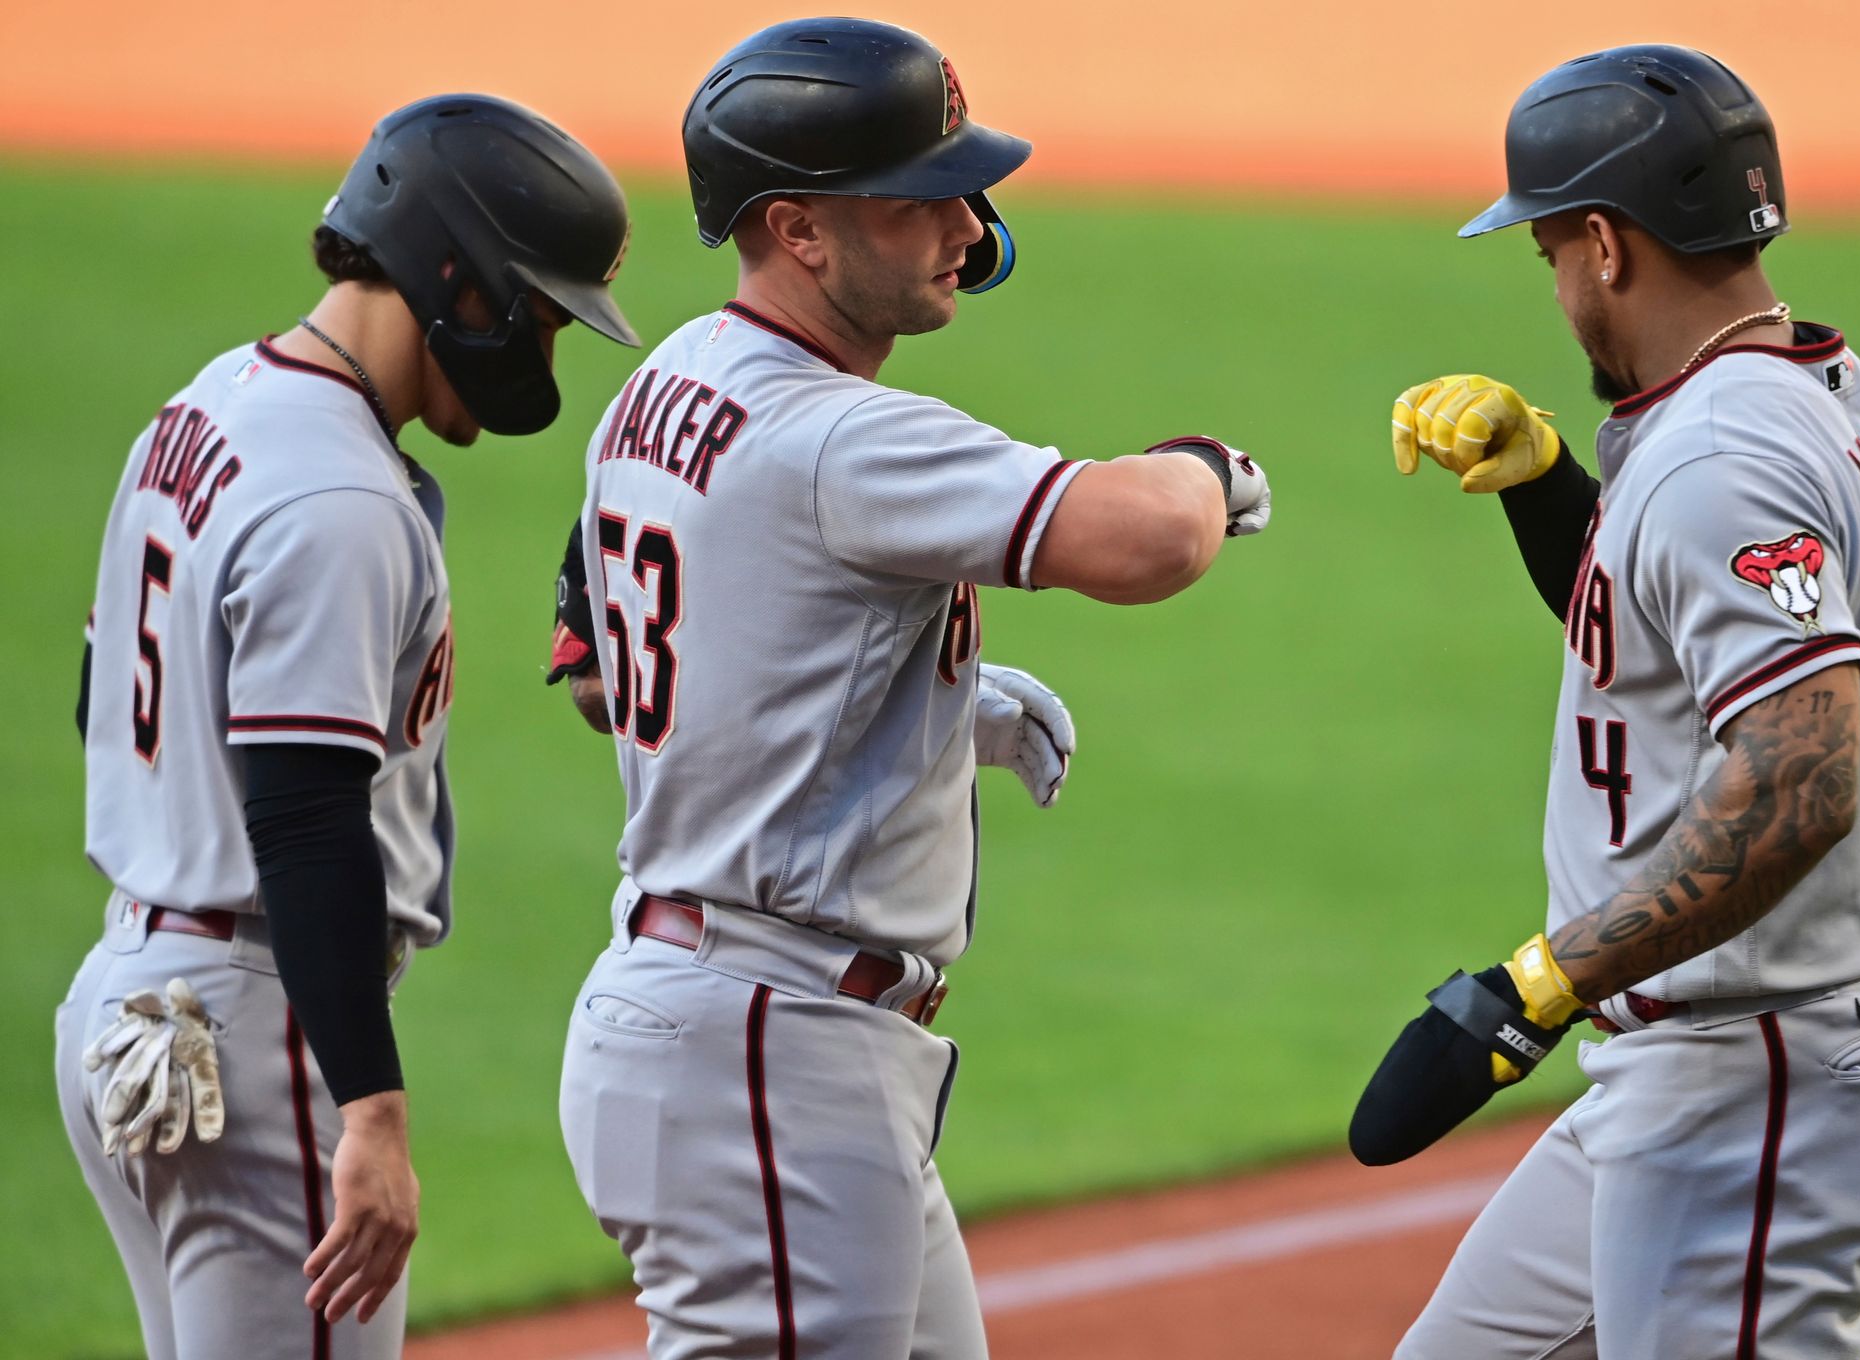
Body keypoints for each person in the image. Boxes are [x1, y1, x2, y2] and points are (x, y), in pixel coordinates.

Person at [549, 17, 1271, 1358]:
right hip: (769, 1050)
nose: (965, 220)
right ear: (800, 230)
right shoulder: (837, 433)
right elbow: (1148, 539)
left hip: (734, 1022)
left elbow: (601, 674)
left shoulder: (659, 389)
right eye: (920, 197)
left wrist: (936, 710)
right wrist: (1206, 465)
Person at [1345, 45, 1860, 1359]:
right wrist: (1548, 481)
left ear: (1608, 246)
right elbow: (1665, 653)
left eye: (1551, 252)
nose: (1558, 283)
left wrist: (1543, 982)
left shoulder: (1721, 456)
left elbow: (1799, 776)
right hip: (1695, 1061)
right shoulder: (1815, 387)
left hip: (1762, 1076)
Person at [57, 94, 638, 1359]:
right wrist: (367, 1110)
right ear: (456, 277)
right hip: (252, 1037)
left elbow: (99, 698)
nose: (542, 348)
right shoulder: (337, 494)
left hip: (128, 992)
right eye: (535, 312)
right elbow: (308, 822)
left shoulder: (206, 409)